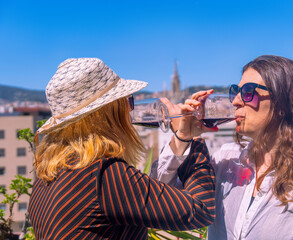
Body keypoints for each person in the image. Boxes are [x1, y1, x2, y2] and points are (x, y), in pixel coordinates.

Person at [152, 55, 293, 239]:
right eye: (236, 92)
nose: (236, 101)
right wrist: (183, 137)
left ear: (283, 104)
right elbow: (160, 199)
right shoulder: (226, 161)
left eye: (248, 92)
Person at [28, 58, 215, 239]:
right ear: (111, 113)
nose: (131, 112)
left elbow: (149, 197)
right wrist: (194, 136)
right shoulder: (103, 176)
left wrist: (182, 137)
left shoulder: (45, 179)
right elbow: (200, 210)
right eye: (128, 101)